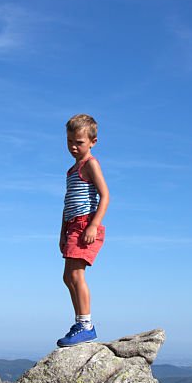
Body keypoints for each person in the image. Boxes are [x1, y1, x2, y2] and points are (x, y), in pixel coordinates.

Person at [57, 113, 110, 347]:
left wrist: (93, 225)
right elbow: (67, 202)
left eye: (79, 142)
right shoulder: (71, 170)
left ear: (92, 142)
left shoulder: (91, 164)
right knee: (68, 276)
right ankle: (81, 323)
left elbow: (105, 195)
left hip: (84, 225)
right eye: (70, 141)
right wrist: (62, 233)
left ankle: (85, 325)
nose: (73, 147)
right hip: (72, 226)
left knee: (77, 275)